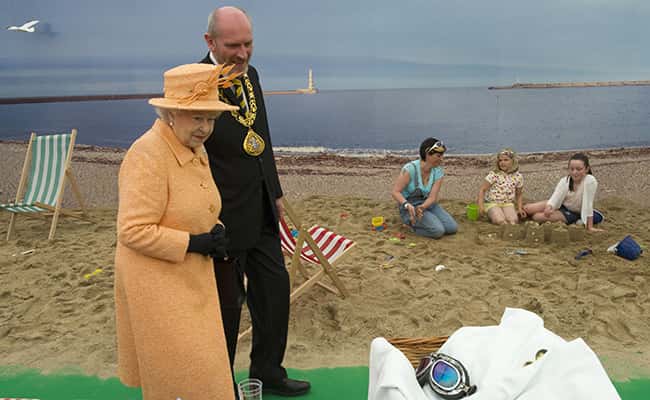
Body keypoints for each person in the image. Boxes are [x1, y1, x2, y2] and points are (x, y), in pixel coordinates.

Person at [200, 6, 311, 397]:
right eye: (233, 45)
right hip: (221, 220)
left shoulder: (253, 75)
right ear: (210, 42)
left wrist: (276, 191)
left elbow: (261, 138)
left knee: (274, 295)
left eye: (248, 44)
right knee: (226, 314)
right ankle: (220, 385)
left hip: (263, 207)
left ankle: (268, 372)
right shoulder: (195, 84)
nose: (243, 53)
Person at [114, 63, 239, 400]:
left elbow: (198, 204)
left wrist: (216, 232)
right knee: (182, 372)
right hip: (158, 284)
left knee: (203, 369)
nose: (205, 128)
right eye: (197, 117)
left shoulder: (194, 147)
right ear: (170, 113)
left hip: (190, 275)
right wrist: (194, 242)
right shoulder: (148, 153)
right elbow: (132, 230)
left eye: (211, 119)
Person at [391, 137, 458, 238]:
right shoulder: (410, 169)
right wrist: (407, 205)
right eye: (438, 156)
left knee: (452, 228)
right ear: (427, 154)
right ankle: (410, 225)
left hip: (427, 204)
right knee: (438, 231)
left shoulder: (438, 171)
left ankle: (428, 219)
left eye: (442, 155)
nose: (441, 159)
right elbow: (395, 192)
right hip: (410, 206)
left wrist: (422, 207)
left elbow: (432, 198)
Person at [523, 152, 604, 232]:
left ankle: (579, 219)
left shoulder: (590, 181)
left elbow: (588, 204)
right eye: (572, 169)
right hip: (563, 205)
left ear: (586, 169)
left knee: (537, 217)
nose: (574, 172)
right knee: (527, 208)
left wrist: (590, 227)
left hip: (575, 212)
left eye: (579, 169)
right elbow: (555, 197)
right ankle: (518, 217)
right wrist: (550, 207)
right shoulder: (565, 181)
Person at [477, 148, 526, 225]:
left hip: (507, 203)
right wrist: (481, 206)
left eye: (506, 160)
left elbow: (519, 194)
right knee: (500, 220)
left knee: (513, 221)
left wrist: (520, 208)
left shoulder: (518, 177)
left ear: (513, 161)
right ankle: (494, 216)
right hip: (492, 203)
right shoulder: (494, 175)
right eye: (500, 160)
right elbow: (482, 190)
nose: (502, 163)